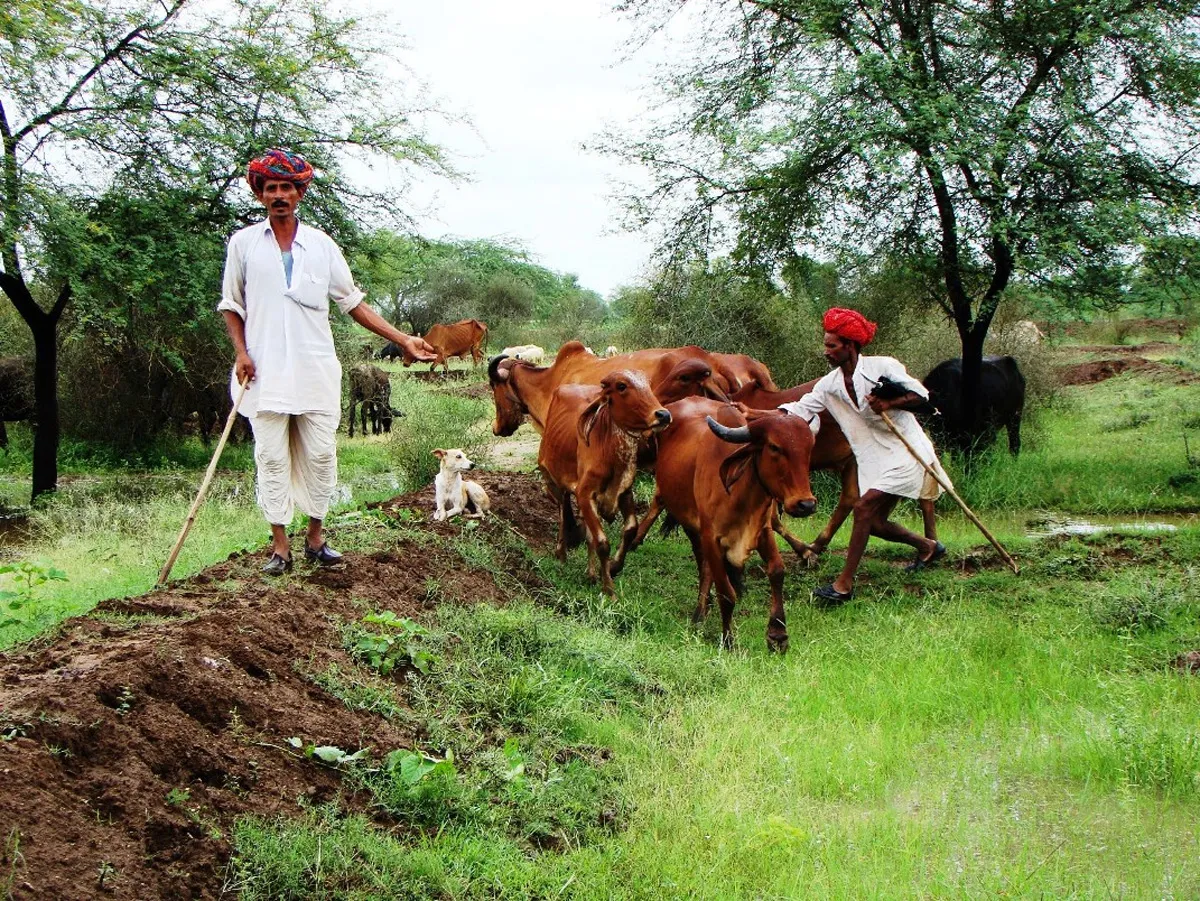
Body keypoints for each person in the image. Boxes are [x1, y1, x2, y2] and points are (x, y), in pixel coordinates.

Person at [219, 148, 437, 576]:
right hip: (262, 372)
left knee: (321, 455)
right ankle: (280, 547)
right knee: (271, 458)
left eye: (287, 187)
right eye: (271, 188)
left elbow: (352, 302)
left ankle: (316, 537)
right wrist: (241, 353)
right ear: (261, 194)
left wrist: (401, 338)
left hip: (316, 369)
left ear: (299, 192)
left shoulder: (320, 245)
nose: (279, 195)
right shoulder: (243, 244)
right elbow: (231, 305)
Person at [779, 308, 949, 604]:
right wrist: (761, 418)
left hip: (907, 451)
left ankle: (843, 585)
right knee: (876, 522)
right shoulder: (829, 384)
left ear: (850, 346)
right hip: (876, 458)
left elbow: (922, 397)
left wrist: (889, 401)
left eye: (832, 346)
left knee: (863, 507)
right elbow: (801, 409)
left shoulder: (882, 366)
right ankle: (927, 546)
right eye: (825, 346)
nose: (826, 352)